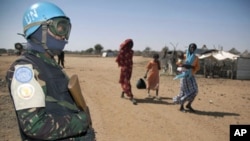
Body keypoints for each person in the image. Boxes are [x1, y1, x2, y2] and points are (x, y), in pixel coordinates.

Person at [5, 2, 95, 140]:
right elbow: (35, 126)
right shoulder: (25, 69)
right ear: (40, 30)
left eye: (66, 30)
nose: (63, 37)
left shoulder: (48, 62)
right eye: (60, 29)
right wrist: (82, 121)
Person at [173, 43, 200, 112]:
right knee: (184, 92)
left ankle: (189, 104)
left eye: (194, 48)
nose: (192, 49)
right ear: (189, 48)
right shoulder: (184, 56)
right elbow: (178, 63)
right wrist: (183, 64)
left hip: (191, 76)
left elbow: (197, 67)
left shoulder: (196, 58)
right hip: (184, 76)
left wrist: (191, 67)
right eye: (191, 47)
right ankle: (181, 107)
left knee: (195, 90)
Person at [115, 39, 137, 105]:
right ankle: (131, 96)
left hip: (127, 68)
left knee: (126, 81)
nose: (131, 46)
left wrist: (122, 64)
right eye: (130, 44)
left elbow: (118, 59)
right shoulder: (130, 52)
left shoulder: (124, 51)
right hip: (127, 68)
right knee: (127, 81)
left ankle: (123, 92)